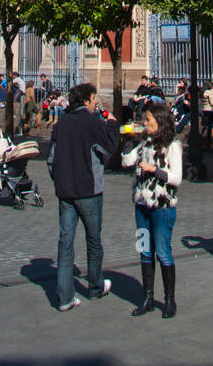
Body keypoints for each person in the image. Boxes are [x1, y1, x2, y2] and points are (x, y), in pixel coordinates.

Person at [47, 82, 119, 311]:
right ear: (86, 100)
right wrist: (112, 126)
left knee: (65, 243)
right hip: (89, 191)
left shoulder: (61, 124)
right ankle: (96, 287)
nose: (96, 102)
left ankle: (65, 297)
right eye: (93, 98)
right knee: (93, 240)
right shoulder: (91, 122)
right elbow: (109, 150)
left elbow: (51, 161)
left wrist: (60, 181)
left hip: (66, 193)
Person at [122, 100, 182, 318]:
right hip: (141, 206)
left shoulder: (172, 144)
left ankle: (169, 300)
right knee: (145, 250)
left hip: (162, 207)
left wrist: (155, 170)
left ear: (159, 121)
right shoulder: (144, 142)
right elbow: (126, 161)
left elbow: (177, 178)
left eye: (148, 119)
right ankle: (147, 297)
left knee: (163, 252)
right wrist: (129, 141)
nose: (144, 123)